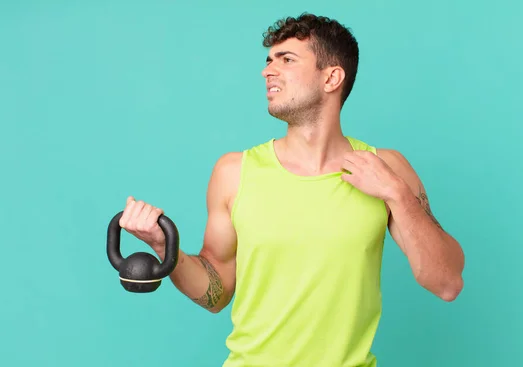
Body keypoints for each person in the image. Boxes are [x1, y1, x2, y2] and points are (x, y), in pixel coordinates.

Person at [118, 13, 465, 367]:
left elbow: (447, 282)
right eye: (269, 60)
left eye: (286, 60)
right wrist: (166, 248)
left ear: (331, 77)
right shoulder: (235, 172)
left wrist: (396, 193)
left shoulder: (386, 168)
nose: (268, 71)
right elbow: (216, 294)